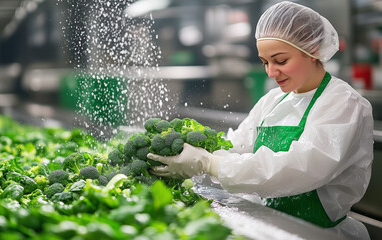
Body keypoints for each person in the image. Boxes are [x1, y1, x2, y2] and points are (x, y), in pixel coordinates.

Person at [148, 1, 374, 239]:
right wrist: (199, 149)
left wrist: (211, 164)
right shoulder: (274, 99)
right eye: (265, 62)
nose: (270, 72)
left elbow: (302, 167)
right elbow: (239, 144)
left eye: (281, 61)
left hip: (319, 234)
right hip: (271, 225)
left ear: (313, 50)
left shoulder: (342, 103)